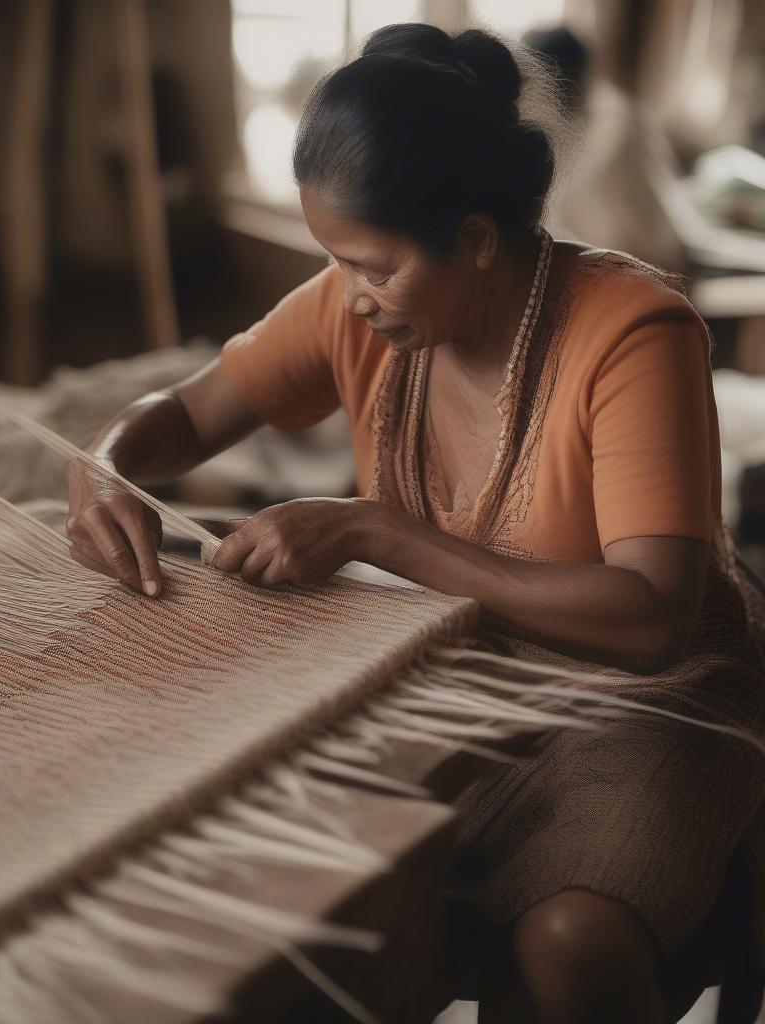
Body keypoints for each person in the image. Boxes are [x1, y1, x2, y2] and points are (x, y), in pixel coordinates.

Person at [66, 23, 765, 1022]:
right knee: (316, 889)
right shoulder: (363, 307)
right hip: (455, 674)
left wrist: (372, 532)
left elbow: (652, 614)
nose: (349, 298)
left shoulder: (633, 333)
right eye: (334, 262)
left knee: (569, 940)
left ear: (476, 239)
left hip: (653, 702)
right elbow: (178, 415)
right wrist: (103, 468)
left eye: (373, 266)